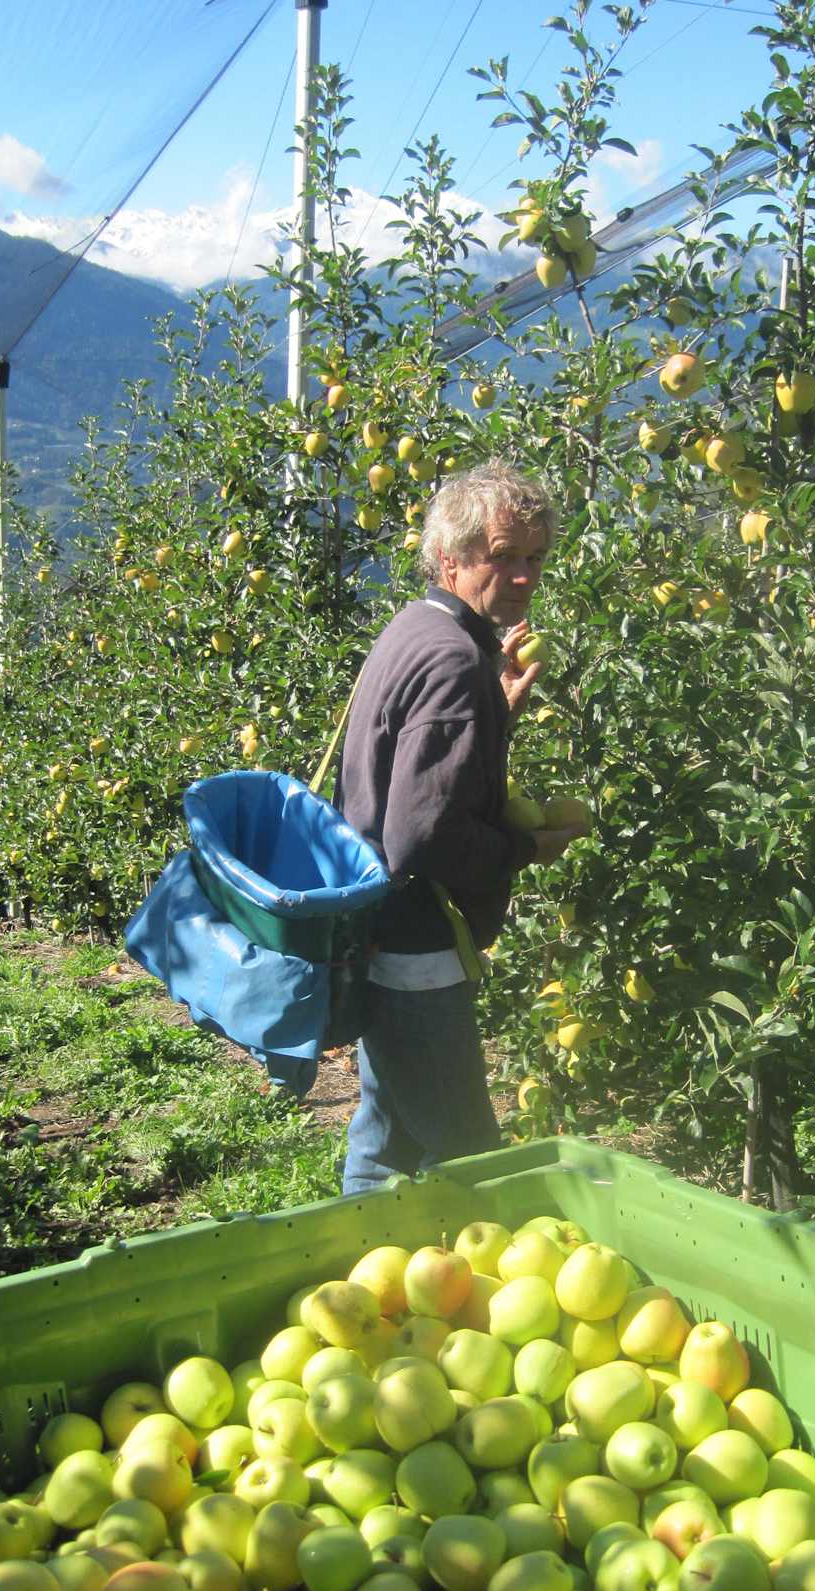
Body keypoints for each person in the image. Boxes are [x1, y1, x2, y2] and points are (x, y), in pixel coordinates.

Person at [336, 460, 585, 1194]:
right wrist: (526, 847)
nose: (523, 576)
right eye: (501, 556)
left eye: (535, 557)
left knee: (387, 1136)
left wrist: (494, 709)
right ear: (449, 557)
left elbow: (415, 769)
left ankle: (360, 1253)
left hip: (376, 929)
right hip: (417, 945)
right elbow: (422, 835)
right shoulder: (453, 660)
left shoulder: (417, 627)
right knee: (469, 1154)